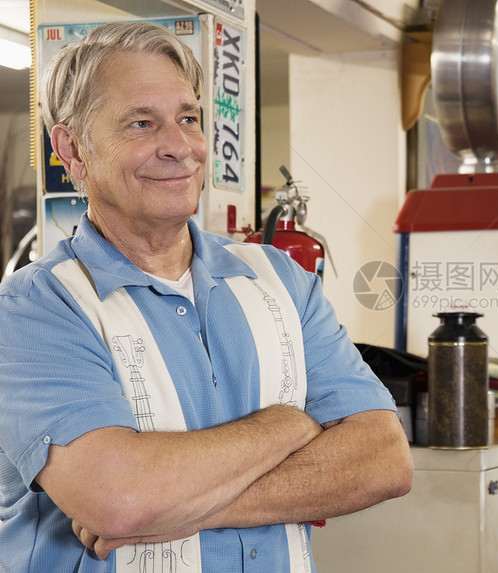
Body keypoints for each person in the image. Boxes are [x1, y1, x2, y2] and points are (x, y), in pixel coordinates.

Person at [0, 21, 412, 572]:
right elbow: (119, 499)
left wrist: (176, 509)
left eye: (189, 119)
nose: (180, 147)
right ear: (72, 150)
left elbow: (384, 460)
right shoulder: (35, 308)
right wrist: (290, 424)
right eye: (141, 123)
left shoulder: (282, 281)